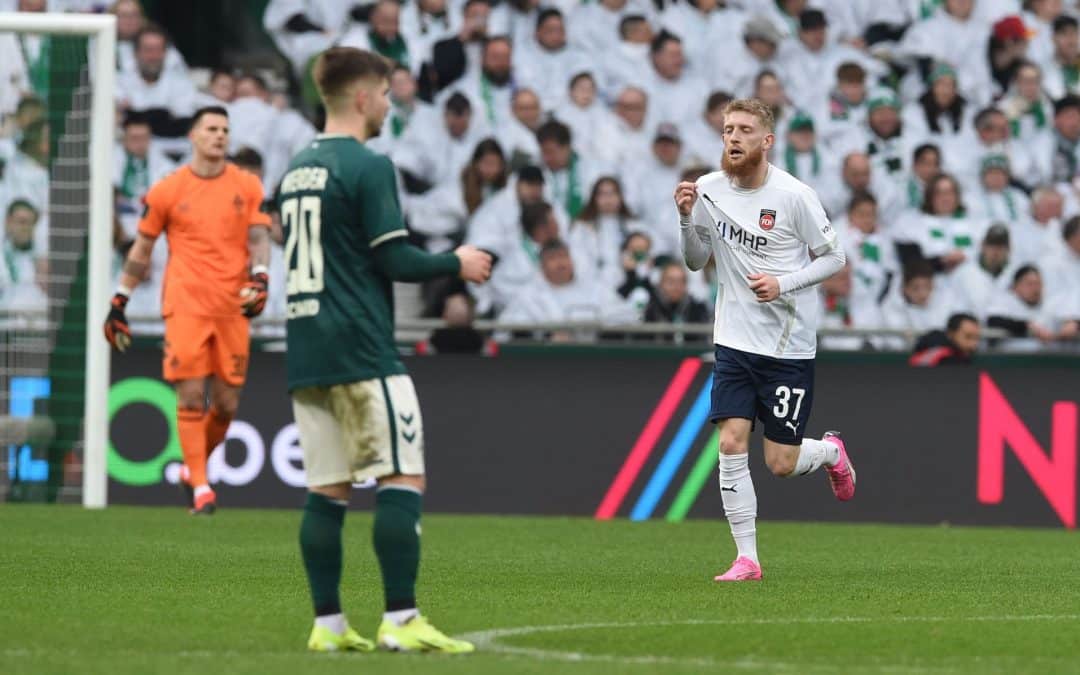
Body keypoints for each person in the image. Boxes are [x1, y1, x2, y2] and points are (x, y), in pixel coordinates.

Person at [279, 48, 491, 653]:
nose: (391, 103)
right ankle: (400, 619)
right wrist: (458, 261)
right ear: (363, 97)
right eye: (385, 93)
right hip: (362, 347)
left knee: (326, 489)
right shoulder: (368, 166)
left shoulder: (296, 168)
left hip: (306, 349)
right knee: (402, 477)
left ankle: (328, 625)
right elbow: (393, 258)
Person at [674, 98, 854, 583]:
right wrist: (687, 219)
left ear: (766, 141)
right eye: (728, 129)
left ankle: (831, 452)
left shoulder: (794, 195)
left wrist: (784, 283)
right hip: (733, 340)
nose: (732, 138)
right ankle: (746, 558)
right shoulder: (708, 190)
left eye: (744, 130)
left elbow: (834, 257)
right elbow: (695, 261)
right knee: (731, 442)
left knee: (781, 462)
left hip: (787, 347)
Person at [102, 106, 272, 515]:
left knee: (227, 404)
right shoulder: (167, 190)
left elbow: (259, 237)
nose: (220, 136)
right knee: (191, 394)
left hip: (232, 305)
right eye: (212, 129)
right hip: (186, 304)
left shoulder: (247, 185)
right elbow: (142, 251)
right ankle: (201, 487)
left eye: (225, 130)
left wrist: (261, 276)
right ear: (193, 136)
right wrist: (119, 299)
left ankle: (190, 471)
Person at [909, 312, 981, 366]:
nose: (973, 344)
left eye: (976, 338)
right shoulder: (937, 353)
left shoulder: (964, 358)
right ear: (951, 334)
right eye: (968, 337)